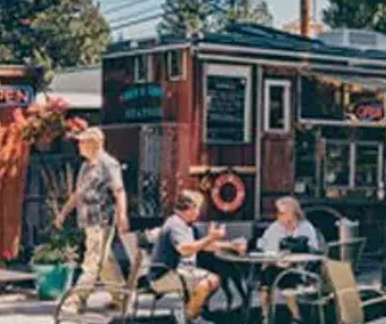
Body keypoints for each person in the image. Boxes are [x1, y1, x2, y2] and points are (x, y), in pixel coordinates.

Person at [54, 127, 129, 313]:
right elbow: (78, 193)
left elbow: (119, 191)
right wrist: (63, 212)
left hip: (102, 220)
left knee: (92, 261)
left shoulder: (108, 164)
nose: (79, 146)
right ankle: (121, 298)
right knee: (106, 262)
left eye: (82, 142)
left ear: (94, 143)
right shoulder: (86, 165)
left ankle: (75, 301)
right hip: (88, 220)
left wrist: (122, 216)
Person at [149, 190, 247, 322]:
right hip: (165, 274)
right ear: (190, 208)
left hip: (180, 271)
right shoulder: (175, 224)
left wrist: (231, 245)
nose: (199, 213)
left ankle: (192, 313)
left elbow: (205, 245)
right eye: (198, 209)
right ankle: (188, 316)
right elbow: (184, 249)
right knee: (209, 282)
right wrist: (210, 237)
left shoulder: (188, 226)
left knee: (214, 280)